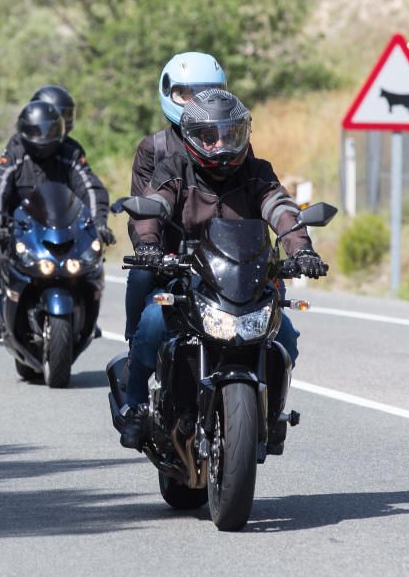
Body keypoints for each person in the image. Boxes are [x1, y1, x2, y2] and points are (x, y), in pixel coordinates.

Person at [119, 89, 328, 449]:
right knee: (153, 322)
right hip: (190, 276)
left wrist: (302, 250)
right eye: (209, 137)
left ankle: (271, 412)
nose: (220, 145)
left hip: (245, 280)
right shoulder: (176, 169)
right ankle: (135, 407)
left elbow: (280, 208)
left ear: (244, 134)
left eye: (229, 135)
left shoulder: (256, 172)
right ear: (192, 138)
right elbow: (155, 204)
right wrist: (150, 244)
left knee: (286, 336)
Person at [0, 100, 112, 331]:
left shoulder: (70, 152)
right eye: (35, 131)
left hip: (64, 227)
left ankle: (87, 312)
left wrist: (100, 222)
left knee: (91, 263)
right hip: (22, 228)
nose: (41, 138)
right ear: (24, 130)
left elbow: (89, 186)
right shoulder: (15, 151)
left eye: (48, 131)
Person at [125, 52, 228, 341]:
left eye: (207, 93)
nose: (198, 102)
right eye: (187, 94)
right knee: (142, 280)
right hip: (169, 258)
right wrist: (149, 248)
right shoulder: (154, 148)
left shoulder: (231, 143)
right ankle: (135, 353)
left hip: (225, 260)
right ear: (169, 93)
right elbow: (143, 210)